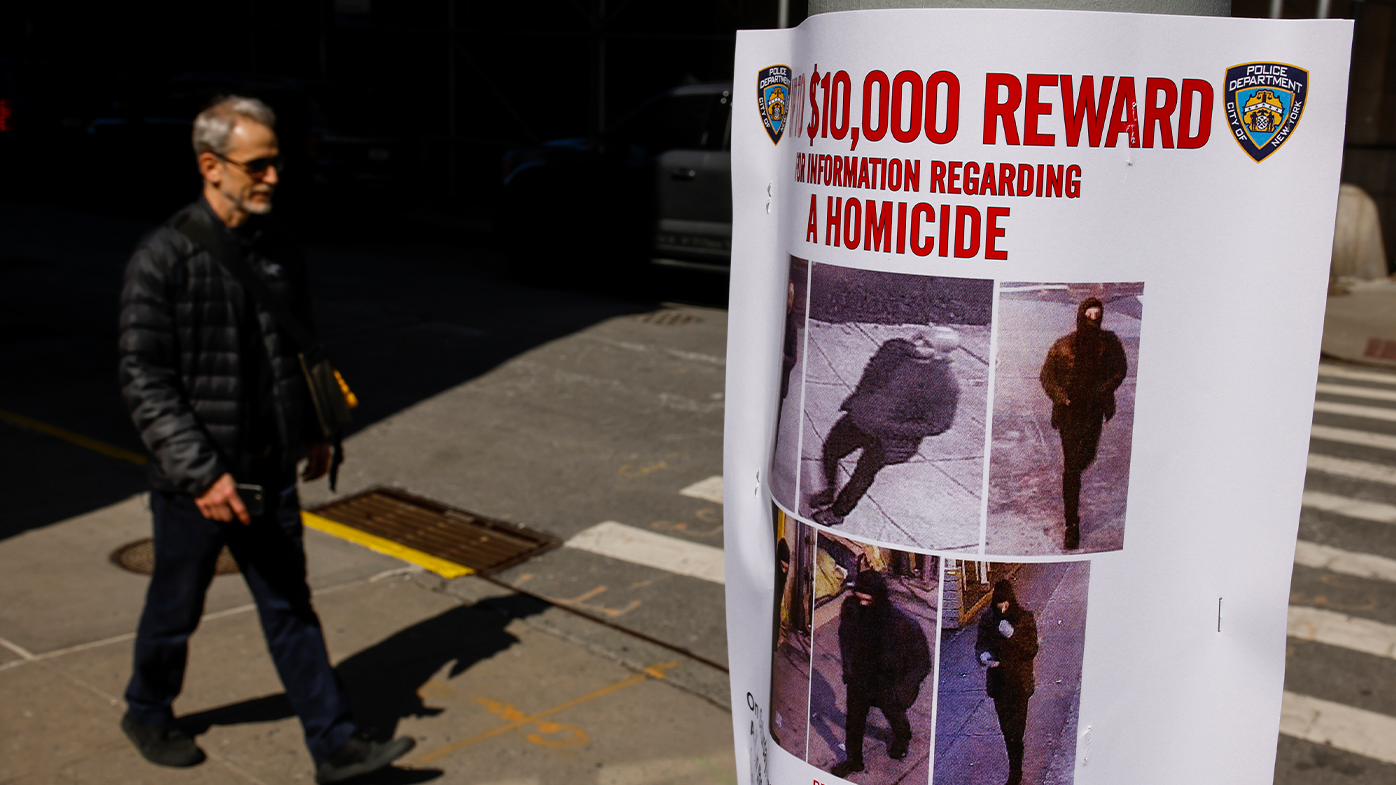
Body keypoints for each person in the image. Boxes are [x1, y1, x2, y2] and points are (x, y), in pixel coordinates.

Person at [117, 96, 412, 783]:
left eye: (278, 162)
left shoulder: (279, 249)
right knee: (174, 609)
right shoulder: (162, 258)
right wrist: (199, 472)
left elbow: (299, 348)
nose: (275, 177)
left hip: (271, 468)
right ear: (211, 166)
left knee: (290, 607)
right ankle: (147, 708)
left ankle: (335, 746)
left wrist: (313, 430)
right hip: (201, 484)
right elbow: (143, 377)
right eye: (260, 164)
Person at [810, 327, 959, 526]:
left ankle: (837, 512)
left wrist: (894, 428)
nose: (916, 343)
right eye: (919, 337)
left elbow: (939, 424)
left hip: (890, 439)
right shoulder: (896, 350)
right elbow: (871, 369)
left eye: (926, 344)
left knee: (863, 474)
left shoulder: (945, 383)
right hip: (861, 418)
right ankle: (829, 490)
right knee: (831, 449)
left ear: (940, 353)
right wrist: (861, 400)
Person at [1039, 297, 1128, 550]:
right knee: (1072, 469)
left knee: (1086, 456)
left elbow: (1120, 369)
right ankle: (1072, 525)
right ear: (1080, 315)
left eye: (1096, 315)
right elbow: (1047, 375)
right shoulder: (1063, 345)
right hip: (1069, 413)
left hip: (1094, 411)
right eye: (1088, 314)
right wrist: (1062, 397)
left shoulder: (1109, 343)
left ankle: (1075, 473)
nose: (1092, 320)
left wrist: (1103, 391)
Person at [829, 570, 931, 777]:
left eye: (868, 599)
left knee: (893, 714)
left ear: (879, 597)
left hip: (887, 681)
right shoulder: (851, 610)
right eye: (859, 597)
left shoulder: (901, 624)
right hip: (860, 677)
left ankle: (902, 737)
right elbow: (845, 637)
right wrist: (849, 668)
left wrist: (904, 687)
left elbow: (922, 661)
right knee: (854, 721)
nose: (863, 603)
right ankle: (854, 760)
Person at [976, 579, 1039, 785]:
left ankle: (1015, 772)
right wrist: (983, 656)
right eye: (998, 603)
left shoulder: (1025, 619)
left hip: (1019, 685)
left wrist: (1013, 635)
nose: (1002, 607)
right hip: (999, 684)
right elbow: (980, 645)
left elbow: (1031, 649)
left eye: (1006, 603)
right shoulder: (987, 620)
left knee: (1016, 731)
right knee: (1007, 730)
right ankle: (1015, 766)